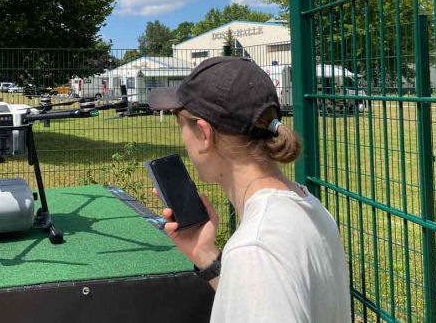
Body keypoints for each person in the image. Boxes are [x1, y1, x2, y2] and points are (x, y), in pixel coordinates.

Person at [147, 56, 350, 323]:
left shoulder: (255, 250)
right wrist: (206, 256)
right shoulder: (307, 205)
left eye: (181, 126)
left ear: (204, 134)